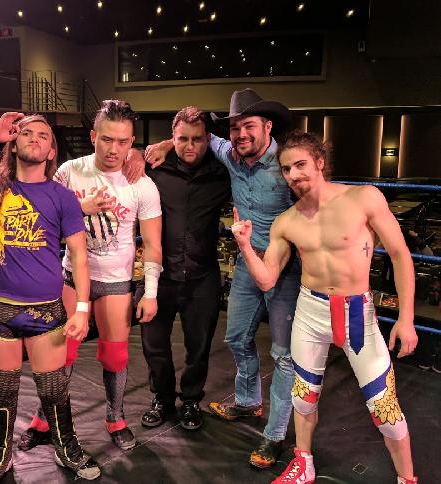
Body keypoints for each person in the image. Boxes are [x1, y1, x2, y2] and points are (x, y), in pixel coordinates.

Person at [231, 130, 417, 484]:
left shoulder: (363, 198)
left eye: (300, 164)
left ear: (319, 162)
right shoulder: (287, 221)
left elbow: (400, 255)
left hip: (357, 313)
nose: (294, 174)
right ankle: (304, 463)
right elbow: (267, 279)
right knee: (303, 398)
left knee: (384, 408)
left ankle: (407, 478)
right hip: (310, 313)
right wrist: (244, 246)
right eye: (286, 169)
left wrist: (405, 319)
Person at [0, 112, 100, 481]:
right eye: (26, 133)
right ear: (14, 144)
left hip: (45, 310)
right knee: (0, 388)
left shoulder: (62, 197)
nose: (35, 138)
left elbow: (79, 255)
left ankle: (67, 449)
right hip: (0, 308)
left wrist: (81, 308)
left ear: (51, 150)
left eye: (43, 135)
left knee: (54, 386)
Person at [145, 89, 300, 467]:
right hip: (247, 261)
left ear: (268, 126)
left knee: (283, 355)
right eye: (235, 127)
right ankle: (247, 402)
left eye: (249, 126)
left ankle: (274, 436)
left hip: (285, 266)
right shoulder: (228, 153)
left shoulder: (288, 161)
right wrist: (159, 145)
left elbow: (316, 198)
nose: (241, 134)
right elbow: (189, 137)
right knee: (236, 337)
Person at [19, 99, 163, 453]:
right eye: (107, 139)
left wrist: (151, 291)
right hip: (71, 276)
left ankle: (116, 418)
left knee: (115, 357)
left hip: (116, 281)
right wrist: (79, 207)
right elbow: (42, 218)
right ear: (93, 136)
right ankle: (44, 418)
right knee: (60, 355)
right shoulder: (69, 171)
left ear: (132, 143)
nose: (114, 149)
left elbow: (153, 244)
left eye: (123, 142)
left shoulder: (142, 184)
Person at [138, 106, 231, 431]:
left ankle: (191, 400)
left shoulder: (223, 173)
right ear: (173, 138)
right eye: (182, 139)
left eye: (197, 139)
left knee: (199, 346)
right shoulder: (154, 169)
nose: (190, 146)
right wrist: (155, 148)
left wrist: (168, 143)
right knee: (153, 345)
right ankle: (163, 398)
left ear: (207, 139)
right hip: (159, 275)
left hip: (202, 276)